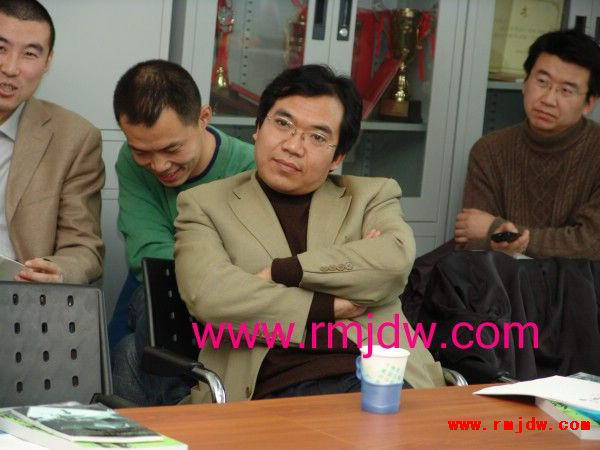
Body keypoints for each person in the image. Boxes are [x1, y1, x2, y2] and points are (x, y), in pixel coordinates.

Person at [175, 64, 444, 403]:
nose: (293, 146)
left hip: (381, 382)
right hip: (270, 390)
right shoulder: (204, 205)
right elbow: (210, 296)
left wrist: (282, 272)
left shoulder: (371, 197)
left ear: (338, 157)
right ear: (257, 128)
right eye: (282, 124)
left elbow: (392, 264)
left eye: (317, 137)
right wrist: (329, 305)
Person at [110, 59, 254, 404]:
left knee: (130, 351)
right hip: (155, 281)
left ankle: (175, 413)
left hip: (226, 296)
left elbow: (251, 263)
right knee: (123, 340)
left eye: (172, 149)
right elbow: (148, 251)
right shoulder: (130, 162)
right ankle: (180, 410)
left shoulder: (250, 168)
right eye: (142, 151)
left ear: (204, 118)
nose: (159, 165)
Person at [455, 29, 600, 259]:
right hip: (503, 280)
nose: (548, 99)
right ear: (525, 82)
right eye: (542, 82)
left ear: (589, 103)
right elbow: (471, 236)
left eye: (566, 90)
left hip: (582, 282)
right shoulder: (489, 150)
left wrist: (506, 234)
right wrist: (493, 234)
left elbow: (592, 243)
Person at [0, 0, 104, 284]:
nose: (10, 68)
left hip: (17, 297)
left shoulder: (75, 139)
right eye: (1, 48)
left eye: (29, 54)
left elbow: (83, 249)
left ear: (47, 62)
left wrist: (57, 271)